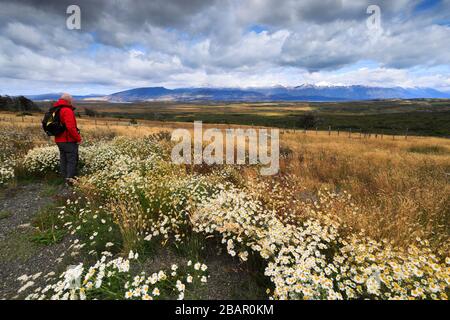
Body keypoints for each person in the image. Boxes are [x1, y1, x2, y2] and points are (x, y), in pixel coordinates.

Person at [53, 93, 82, 185]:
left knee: (64, 160)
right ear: (68, 100)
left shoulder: (56, 109)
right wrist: (78, 138)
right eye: (72, 99)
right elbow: (71, 127)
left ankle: (65, 179)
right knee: (71, 161)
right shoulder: (67, 110)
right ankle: (71, 182)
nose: (73, 101)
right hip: (68, 140)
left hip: (59, 140)